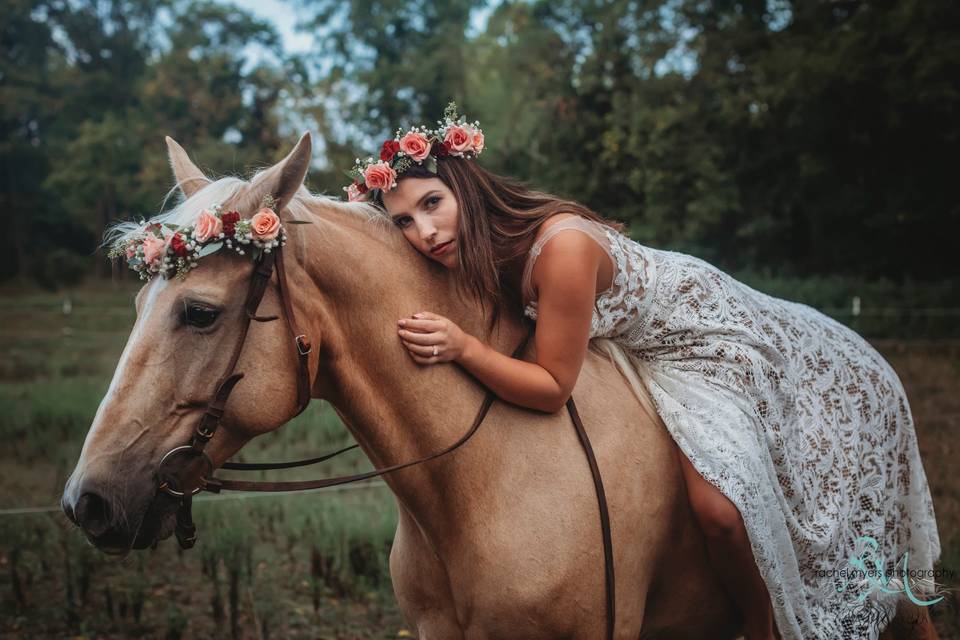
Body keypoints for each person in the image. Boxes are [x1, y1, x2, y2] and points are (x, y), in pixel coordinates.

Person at [344, 104, 942, 640]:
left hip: (707, 340)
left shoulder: (561, 251)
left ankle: (762, 627)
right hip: (640, 347)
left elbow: (553, 389)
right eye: (402, 222)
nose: (424, 232)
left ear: (466, 191)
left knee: (720, 510)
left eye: (431, 204)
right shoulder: (470, 252)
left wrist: (463, 350)